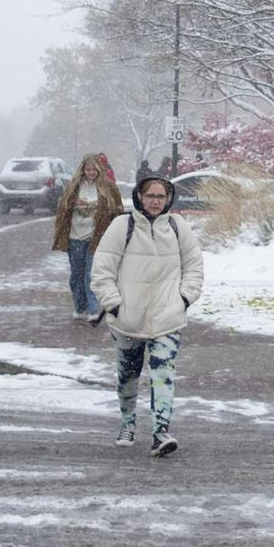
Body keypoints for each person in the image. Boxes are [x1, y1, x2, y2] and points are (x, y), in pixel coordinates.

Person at [90, 174, 203, 457]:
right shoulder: (122, 226)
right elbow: (102, 271)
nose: (155, 201)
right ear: (140, 197)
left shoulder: (178, 227)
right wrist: (114, 304)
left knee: (163, 373)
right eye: (150, 196)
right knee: (128, 374)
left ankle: (160, 431)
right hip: (128, 317)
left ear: (168, 199)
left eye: (161, 197)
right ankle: (127, 422)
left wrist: (184, 298)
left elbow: (194, 266)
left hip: (167, 316)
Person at [52, 153, 123, 324]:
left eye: (94, 169)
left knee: (90, 274)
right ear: (83, 170)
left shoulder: (108, 188)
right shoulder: (73, 187)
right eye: (88, 169)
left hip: (97, 237)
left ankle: (92, 308)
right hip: (74, 237)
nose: (91, 172)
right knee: (76, 274)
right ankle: (79, 306)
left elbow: (117, 211)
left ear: (99, 170)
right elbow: (63, 210)